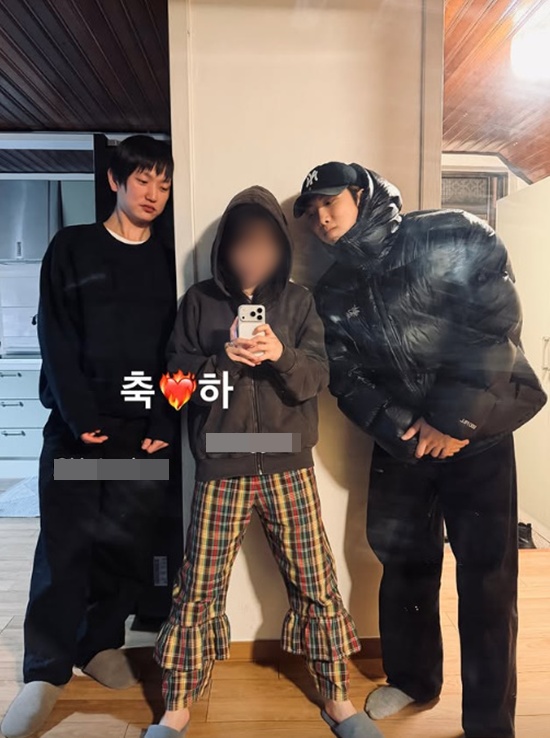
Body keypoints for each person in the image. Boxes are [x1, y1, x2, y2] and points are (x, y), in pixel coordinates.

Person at [294, 162, 547, 738]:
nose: (321, 219)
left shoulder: (452, 233)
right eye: (311, 212)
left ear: (360, 193)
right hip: (402, 445)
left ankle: (489, 723)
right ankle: (412, 679)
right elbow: (346, 378)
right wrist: (408, 428)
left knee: (487, 580)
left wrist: (452, 421)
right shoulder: (332, 291)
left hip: (479, 438)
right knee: (403, 563)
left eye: (330, 202)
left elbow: (493, 327)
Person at [143, 186, 384, 738]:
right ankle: (177, 706)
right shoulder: (199, 301)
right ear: (225, 248)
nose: (253, 255)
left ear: (280, 247)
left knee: (316, 581)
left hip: (287, 465)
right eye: (242, 244)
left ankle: (337, 698)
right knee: (197, 589)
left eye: (265, 244)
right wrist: (222, 359)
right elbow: (176, 390)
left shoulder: (299, 302)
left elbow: (315, 379)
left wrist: (280, 355)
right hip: (221, 467)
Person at [1, 136, 179, 738]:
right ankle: (46, 669)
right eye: (143, 180)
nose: (153, 194)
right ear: (115, 181)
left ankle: (99, 641)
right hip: (78, 432)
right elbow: (56, 336)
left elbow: (180, 350)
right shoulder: (72, 246)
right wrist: (81, 418)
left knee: (124, 543)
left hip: (143, 435)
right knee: (65, 544)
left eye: (163, 184)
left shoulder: (170, 258)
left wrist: (163, 421)